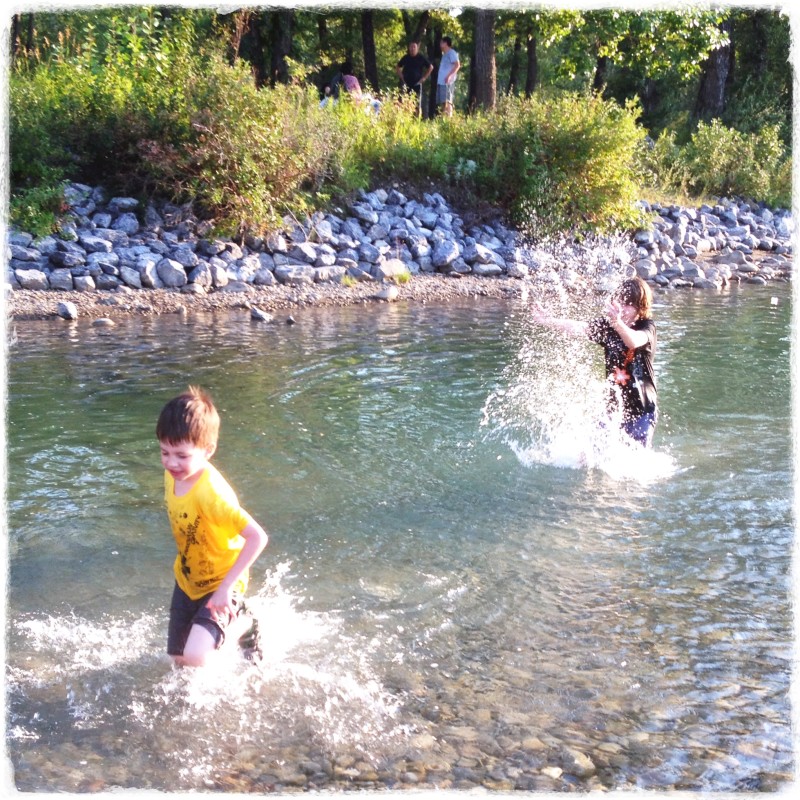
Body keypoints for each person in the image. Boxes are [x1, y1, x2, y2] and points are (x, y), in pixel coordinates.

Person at [156, 386, 269, 667]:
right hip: (188, 580)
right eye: (164, 452)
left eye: (181, 455)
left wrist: (225, 588)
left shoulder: (212, 494)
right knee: (178, 659)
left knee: (197, 656)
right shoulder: (174, 475)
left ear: (208, 450)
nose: (171, 462)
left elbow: (257, 537)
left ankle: (244, 623)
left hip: (221, 582)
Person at [530, 277, 658, 448]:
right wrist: (548, 321)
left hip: (642, 409)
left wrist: (618, 323)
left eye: (630, 304)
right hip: (614, 408)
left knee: (635, 461)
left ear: (641, 307)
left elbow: (633, 342)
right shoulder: (609, 327)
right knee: (588, 454)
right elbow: (578, 327)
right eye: (622, 302)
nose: (624, 309)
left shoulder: (647, 326)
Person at [396, 40, 433, 116]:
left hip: (417, 83)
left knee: (417, 102)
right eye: (411, 47)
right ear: (409, 48)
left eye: (414, 47)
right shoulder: (406, 57)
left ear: (417, 48)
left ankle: (417, 118)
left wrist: (424, 78)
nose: (412, 48)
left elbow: (430, 67)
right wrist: (402, 77)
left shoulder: (421, 57)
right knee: (406, 100)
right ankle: (407, 117)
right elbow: (397, 67)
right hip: (407, 83)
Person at [436, 36, 460, 117]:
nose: (440, 44)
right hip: (441, 81)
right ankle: (444, 118)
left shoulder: (451, 53)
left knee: (447, 100)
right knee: (443, 101)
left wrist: (449, 76)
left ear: (446, 43)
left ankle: (449, 119)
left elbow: (457, 65)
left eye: (441, 42)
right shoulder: (444, 54)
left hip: (447, 82)